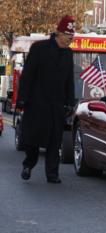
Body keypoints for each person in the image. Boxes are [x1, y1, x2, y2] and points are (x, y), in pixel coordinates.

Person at [16, 15, 76, 183]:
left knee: (54, 141)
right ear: (59, 34)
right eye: (68, 37)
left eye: (72, 38)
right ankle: (28, 164)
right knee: (32, 140)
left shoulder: (68, 54)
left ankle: (52, 174)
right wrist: (22, 99)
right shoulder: (39, 48)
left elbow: (69, 80)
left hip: (56, 105)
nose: (70, 41)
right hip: (36, 103)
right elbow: (27, 75)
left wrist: (70, 102)